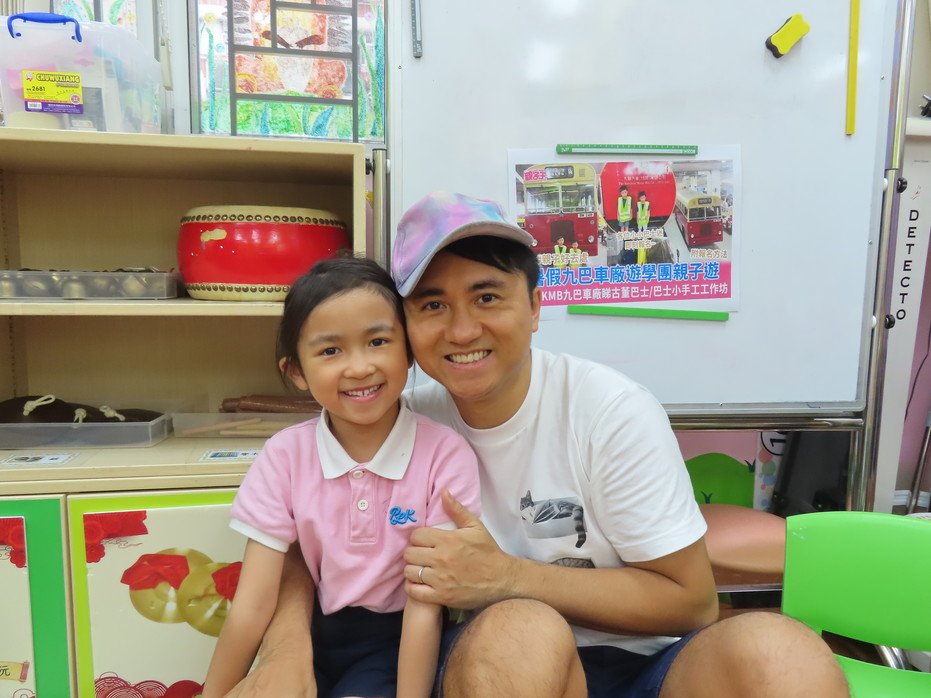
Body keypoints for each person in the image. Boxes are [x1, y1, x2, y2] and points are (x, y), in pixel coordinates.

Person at [228, 192, 848, 698]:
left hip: (648, 668)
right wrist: (287, 646)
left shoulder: (610, 412)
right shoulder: (400, 418)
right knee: (521, 634)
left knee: (782, 653)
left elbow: (691, 604)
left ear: (534, 306)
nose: (462, 329)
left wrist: (506, 576)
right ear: (407, 328)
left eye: (487, 297)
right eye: (433, 304)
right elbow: (305, 533)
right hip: (495, 666)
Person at [203, 257, 480, 698]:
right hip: (311, 637)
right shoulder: (284, 455)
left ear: (408, 350)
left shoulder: (444, 454)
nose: (359, 367)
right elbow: (254, 603)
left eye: (378, 341)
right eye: (331, 351)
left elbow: (425, 605)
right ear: (296, 371)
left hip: (396, 644)